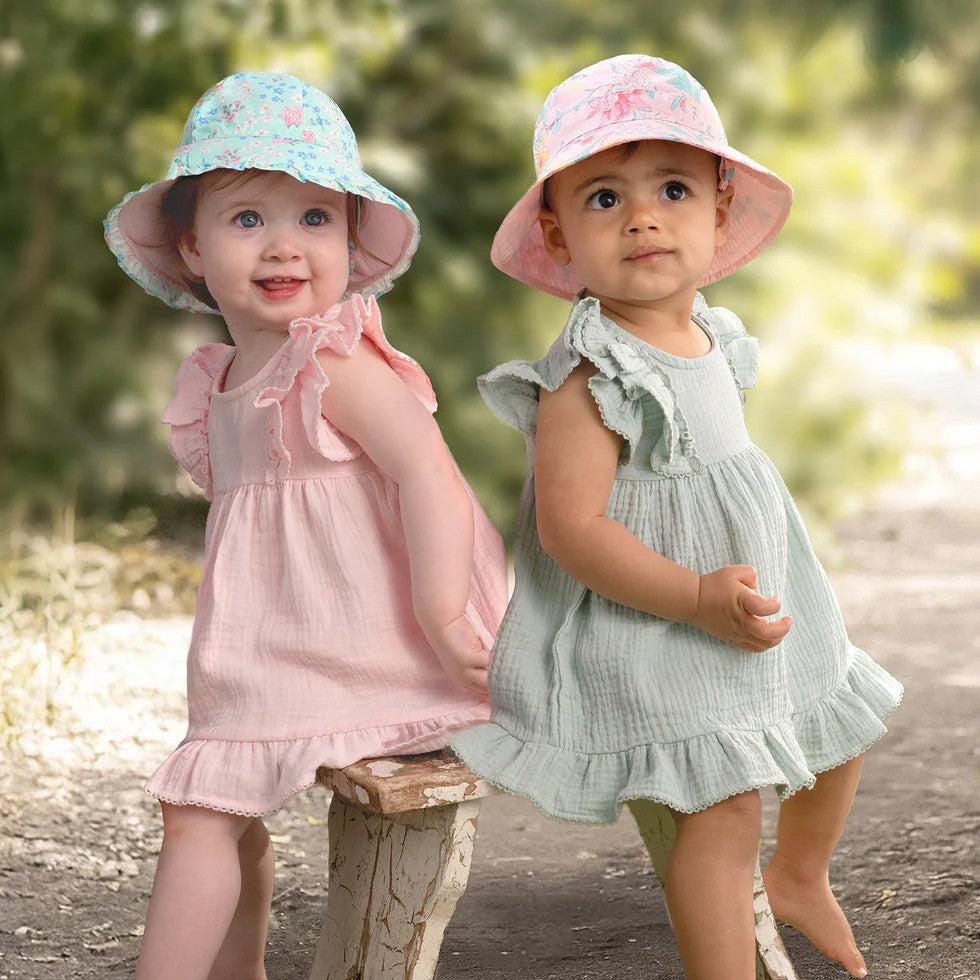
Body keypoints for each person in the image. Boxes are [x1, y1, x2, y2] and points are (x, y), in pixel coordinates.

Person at [451, 54, 903, 980]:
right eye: (605, 198)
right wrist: (694, 596)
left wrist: (730, 590)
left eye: (671, 188)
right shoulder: (590, 372)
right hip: (651, 623)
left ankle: (802, 874)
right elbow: (571, 533)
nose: (645, 216)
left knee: (843, 718)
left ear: (720, 212)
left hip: (749, 603)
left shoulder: (713, 337)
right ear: (559, 232)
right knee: (724, 808)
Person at [104, 71, 508, 980]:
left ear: (350, 239)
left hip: (383, 642)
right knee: (218, 813)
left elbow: (429, 477)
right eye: (248, 219)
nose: (284, 245)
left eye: (316, 219)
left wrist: (449, 620)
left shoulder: (333, 359)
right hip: (278, 649)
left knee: (202, 809)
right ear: (191, 247)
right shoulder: (223, 383)